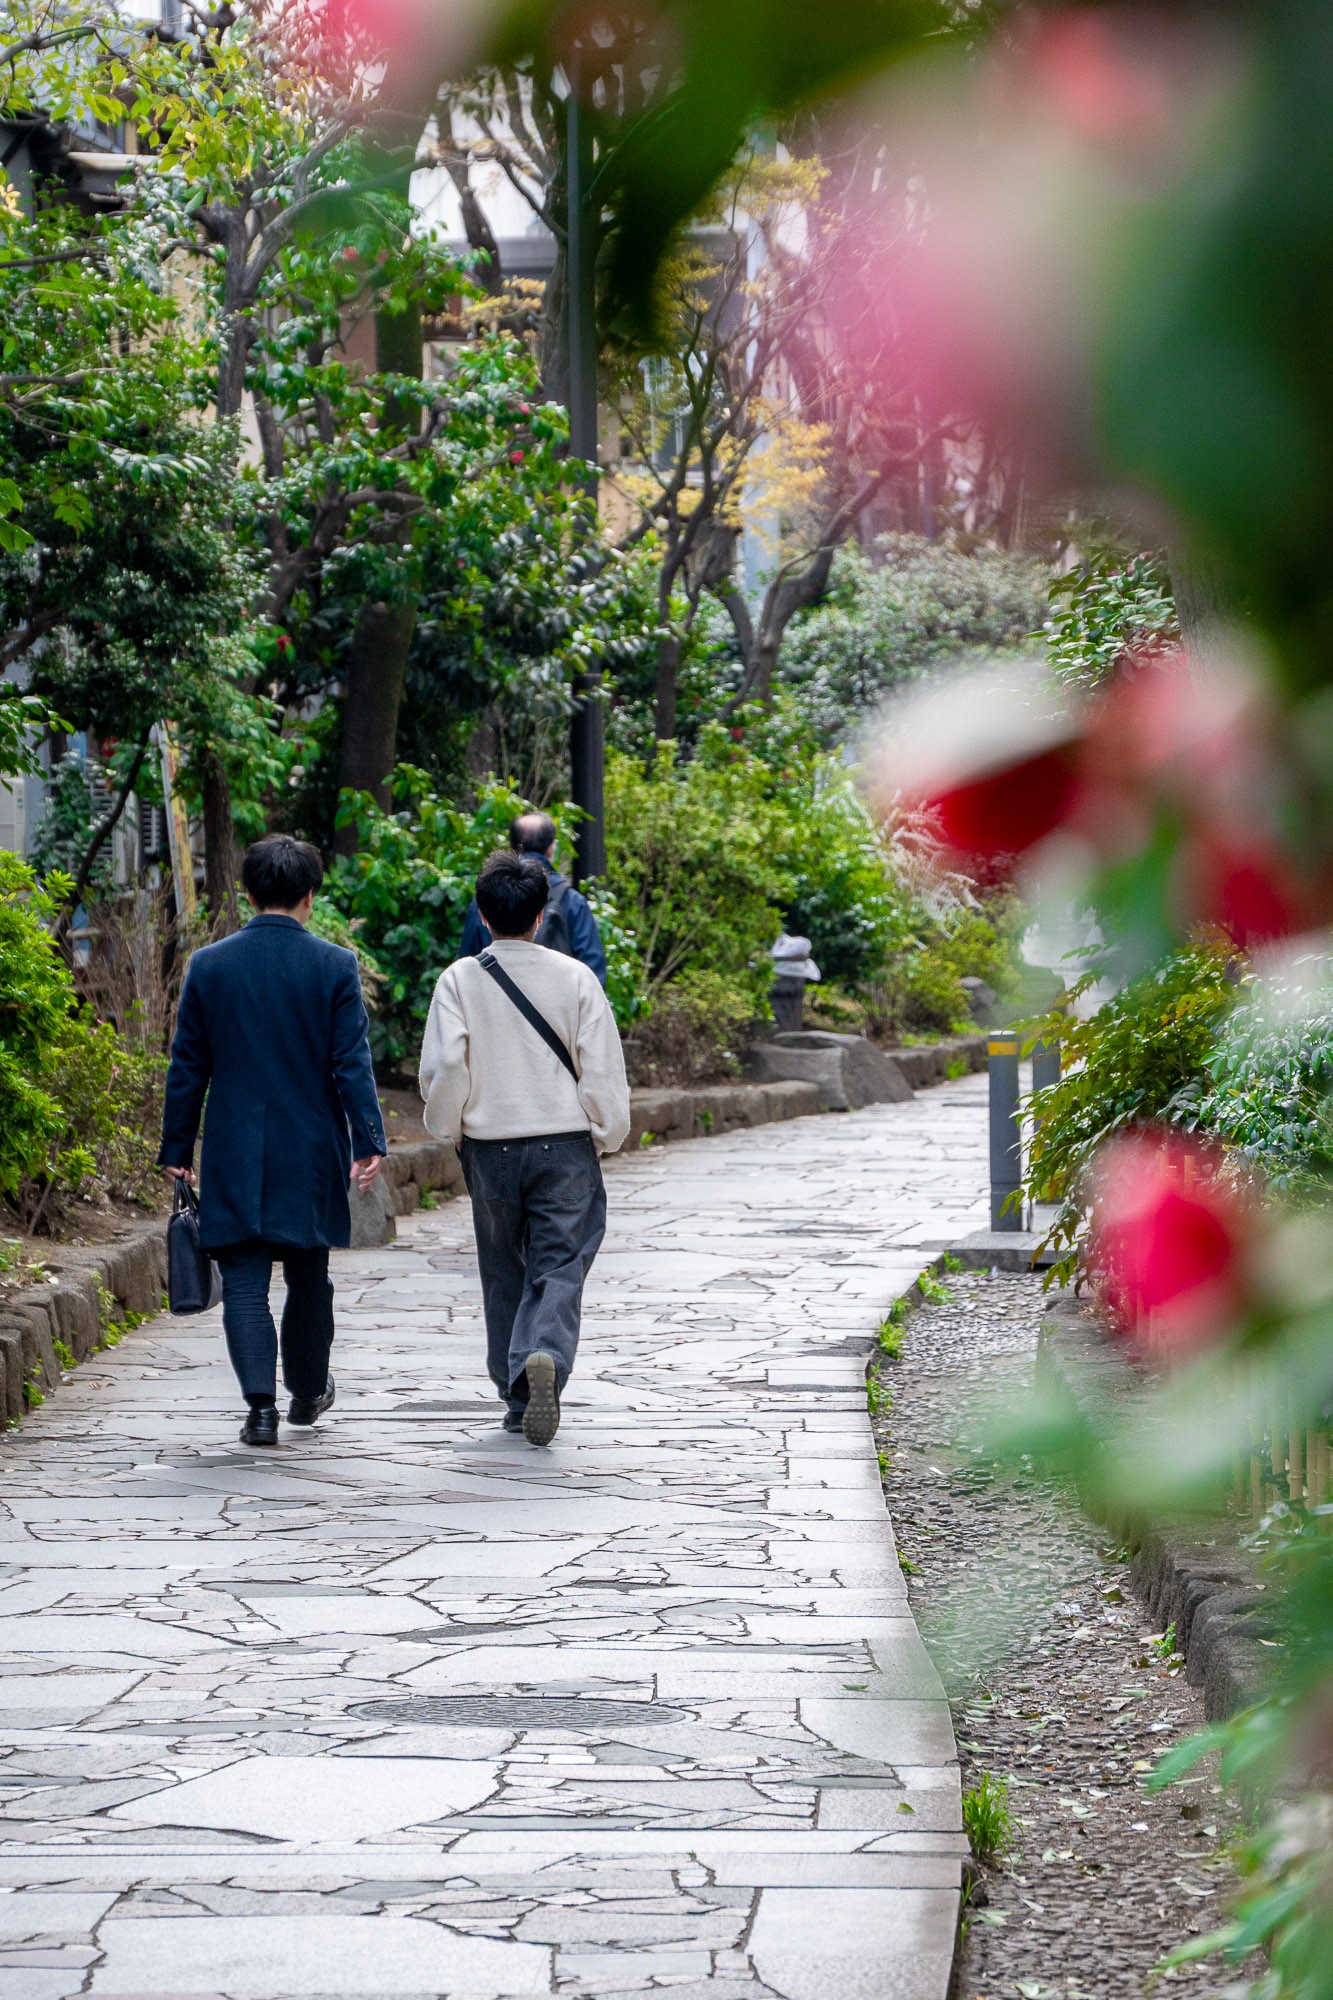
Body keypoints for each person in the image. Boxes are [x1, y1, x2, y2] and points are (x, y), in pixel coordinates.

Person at [158, 834, 387, 1448]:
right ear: (310, 896)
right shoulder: (335, 966)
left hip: (233, 1146)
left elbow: (189, 1067)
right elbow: (350, 1064)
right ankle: (308, 1391)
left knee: (244, 1283)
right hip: (310, 1148)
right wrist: (369, 1140)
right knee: (310, 1275)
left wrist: (178, 1149)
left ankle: (260, 1410)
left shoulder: (209, 965)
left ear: (248, 893)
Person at [420, 849, 630, 1446]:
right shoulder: (576, 979)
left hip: (490, 1148)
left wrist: (449, 1126)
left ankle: (516, 1394)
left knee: (502, 1266)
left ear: (482, 916)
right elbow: (601, 1071)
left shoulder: (459, 979)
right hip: (563, 1144)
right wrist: (607, 1131)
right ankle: (545, 1356)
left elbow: (448, 1069)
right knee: (560, 1261)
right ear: (542, 915)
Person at [458, 811, 607, 986]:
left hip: (491, 1007)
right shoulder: (572, 902)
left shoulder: (484, 898)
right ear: (552, 849)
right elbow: (593, 973)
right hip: (556, 1008)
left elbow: (467, 970)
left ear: (511, 847)